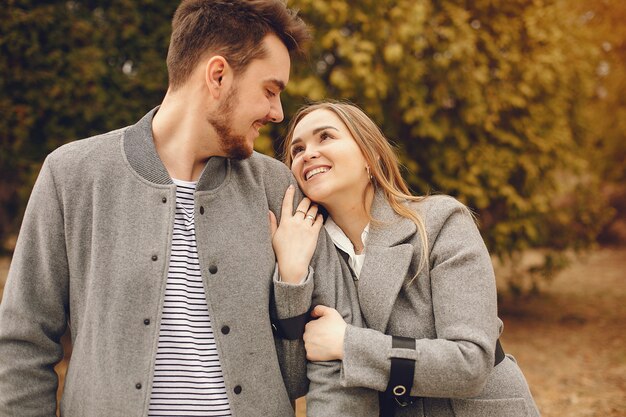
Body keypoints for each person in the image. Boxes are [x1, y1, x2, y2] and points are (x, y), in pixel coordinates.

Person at [0, 2, 362, 416]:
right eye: (270, 90)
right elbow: (23, 344)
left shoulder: (278, 188)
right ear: (218, 75)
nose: (278, 112)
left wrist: (292, 286)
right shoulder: (73, 176)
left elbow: (325, 359)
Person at [278, 101, 541, 417]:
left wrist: (349, 344)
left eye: (325, 137)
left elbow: (470, 362)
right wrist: (292, 277)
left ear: (370, 154)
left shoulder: (440, 222)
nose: (307, 154)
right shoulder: (308, 253)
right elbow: (295, 383)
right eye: (297, 149)